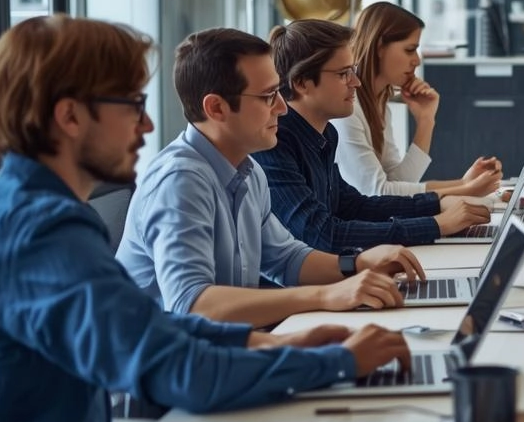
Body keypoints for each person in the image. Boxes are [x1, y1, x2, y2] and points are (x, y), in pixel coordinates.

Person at [0, 16, 411, 422]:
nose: (148, 124)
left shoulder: (29, 208)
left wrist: (273, 345)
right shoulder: (41, 231)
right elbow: (180, 365)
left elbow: (151, 329)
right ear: (70, 117)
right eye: (133, 104)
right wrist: (335, 362)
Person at [118, 28, 434, 328]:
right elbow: (194, 304)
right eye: (269, 96)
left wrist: (359, 264)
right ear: (216, 108)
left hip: (224, 348)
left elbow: (287, 259)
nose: (282, 108)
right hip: (175, 363)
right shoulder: (180, 182)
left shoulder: (247, 170)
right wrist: (325, 296)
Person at [255, 19, 491, 252]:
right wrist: (437, 225)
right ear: (301, 82)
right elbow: (322, 234)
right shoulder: (275, 141)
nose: (356, 82)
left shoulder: (325, 134)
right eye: (343, 74)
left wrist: (437, 205)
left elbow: (355, 206)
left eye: (353, 71)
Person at [336, 1, 503, 196]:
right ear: (380, 46)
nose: (417, 60)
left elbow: (398, 182)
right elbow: (378, 192)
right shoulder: (347, 109)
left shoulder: (378, 105)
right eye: (409, 50)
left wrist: (426, 121)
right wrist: (465, 189)